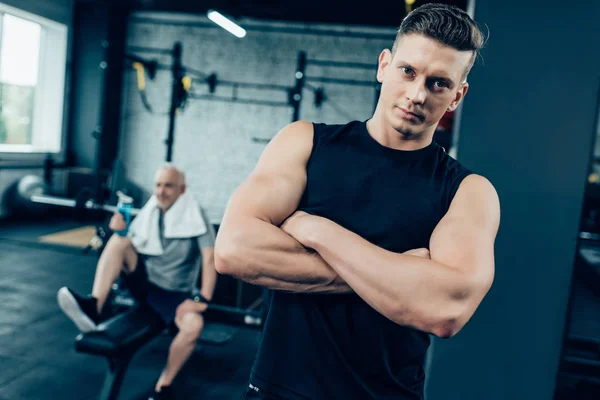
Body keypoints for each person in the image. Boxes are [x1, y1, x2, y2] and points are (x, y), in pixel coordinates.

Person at [214, 3, 499, 400]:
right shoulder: (305, 142)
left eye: (438, 83)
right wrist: (400, 277)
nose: (417, 94)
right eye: (408, 71)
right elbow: (233, 250)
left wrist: (316, 229)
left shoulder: (468, 191)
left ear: (457, 95)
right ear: (384, 66)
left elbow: (445, 310)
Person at [57, 163, 217, 400]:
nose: (161, 191)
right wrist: (119, 231)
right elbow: (131, 244)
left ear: (182, 190)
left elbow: (210, 257)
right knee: (118, 241)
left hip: (174, 294)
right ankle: (94, 307)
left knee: (194, 326)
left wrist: (202, 300)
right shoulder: (150, 210)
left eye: (169, 186)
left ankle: (164, 385)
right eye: (158, 185)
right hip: (144, 283)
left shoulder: (196, 215)